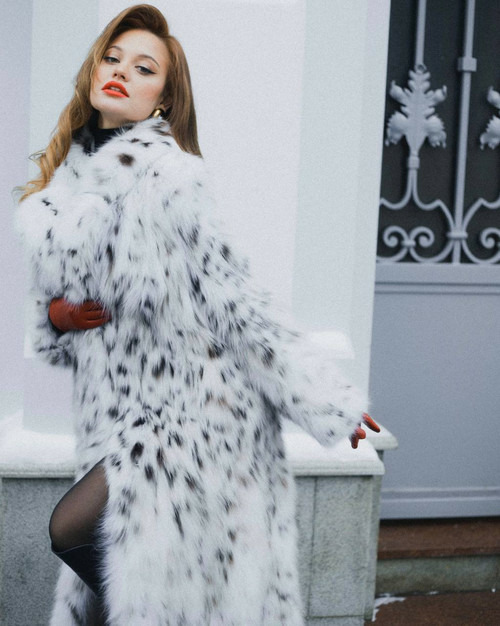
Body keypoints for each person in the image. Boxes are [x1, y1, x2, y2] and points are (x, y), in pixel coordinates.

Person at [15, 4, 379, 625]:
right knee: (129, 586)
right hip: (117, 419)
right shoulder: (60, 191)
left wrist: (324, 398)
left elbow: (235, 300)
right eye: (112, 59)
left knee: (77, 533)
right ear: (93, 71)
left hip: (190, 420)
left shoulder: (171, 180)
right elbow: (54, 327)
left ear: (163, 98)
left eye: (144, 67)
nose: (121, 72)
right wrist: (58, 318)